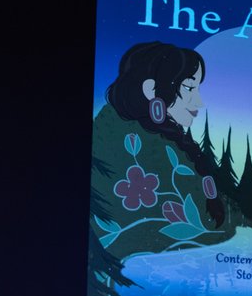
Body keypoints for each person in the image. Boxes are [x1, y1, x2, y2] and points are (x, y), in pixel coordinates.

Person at [89, 41, 236, 266]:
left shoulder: (166, 141)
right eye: (189, 88)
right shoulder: (130, 145)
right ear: (151, 90)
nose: (199, 101)